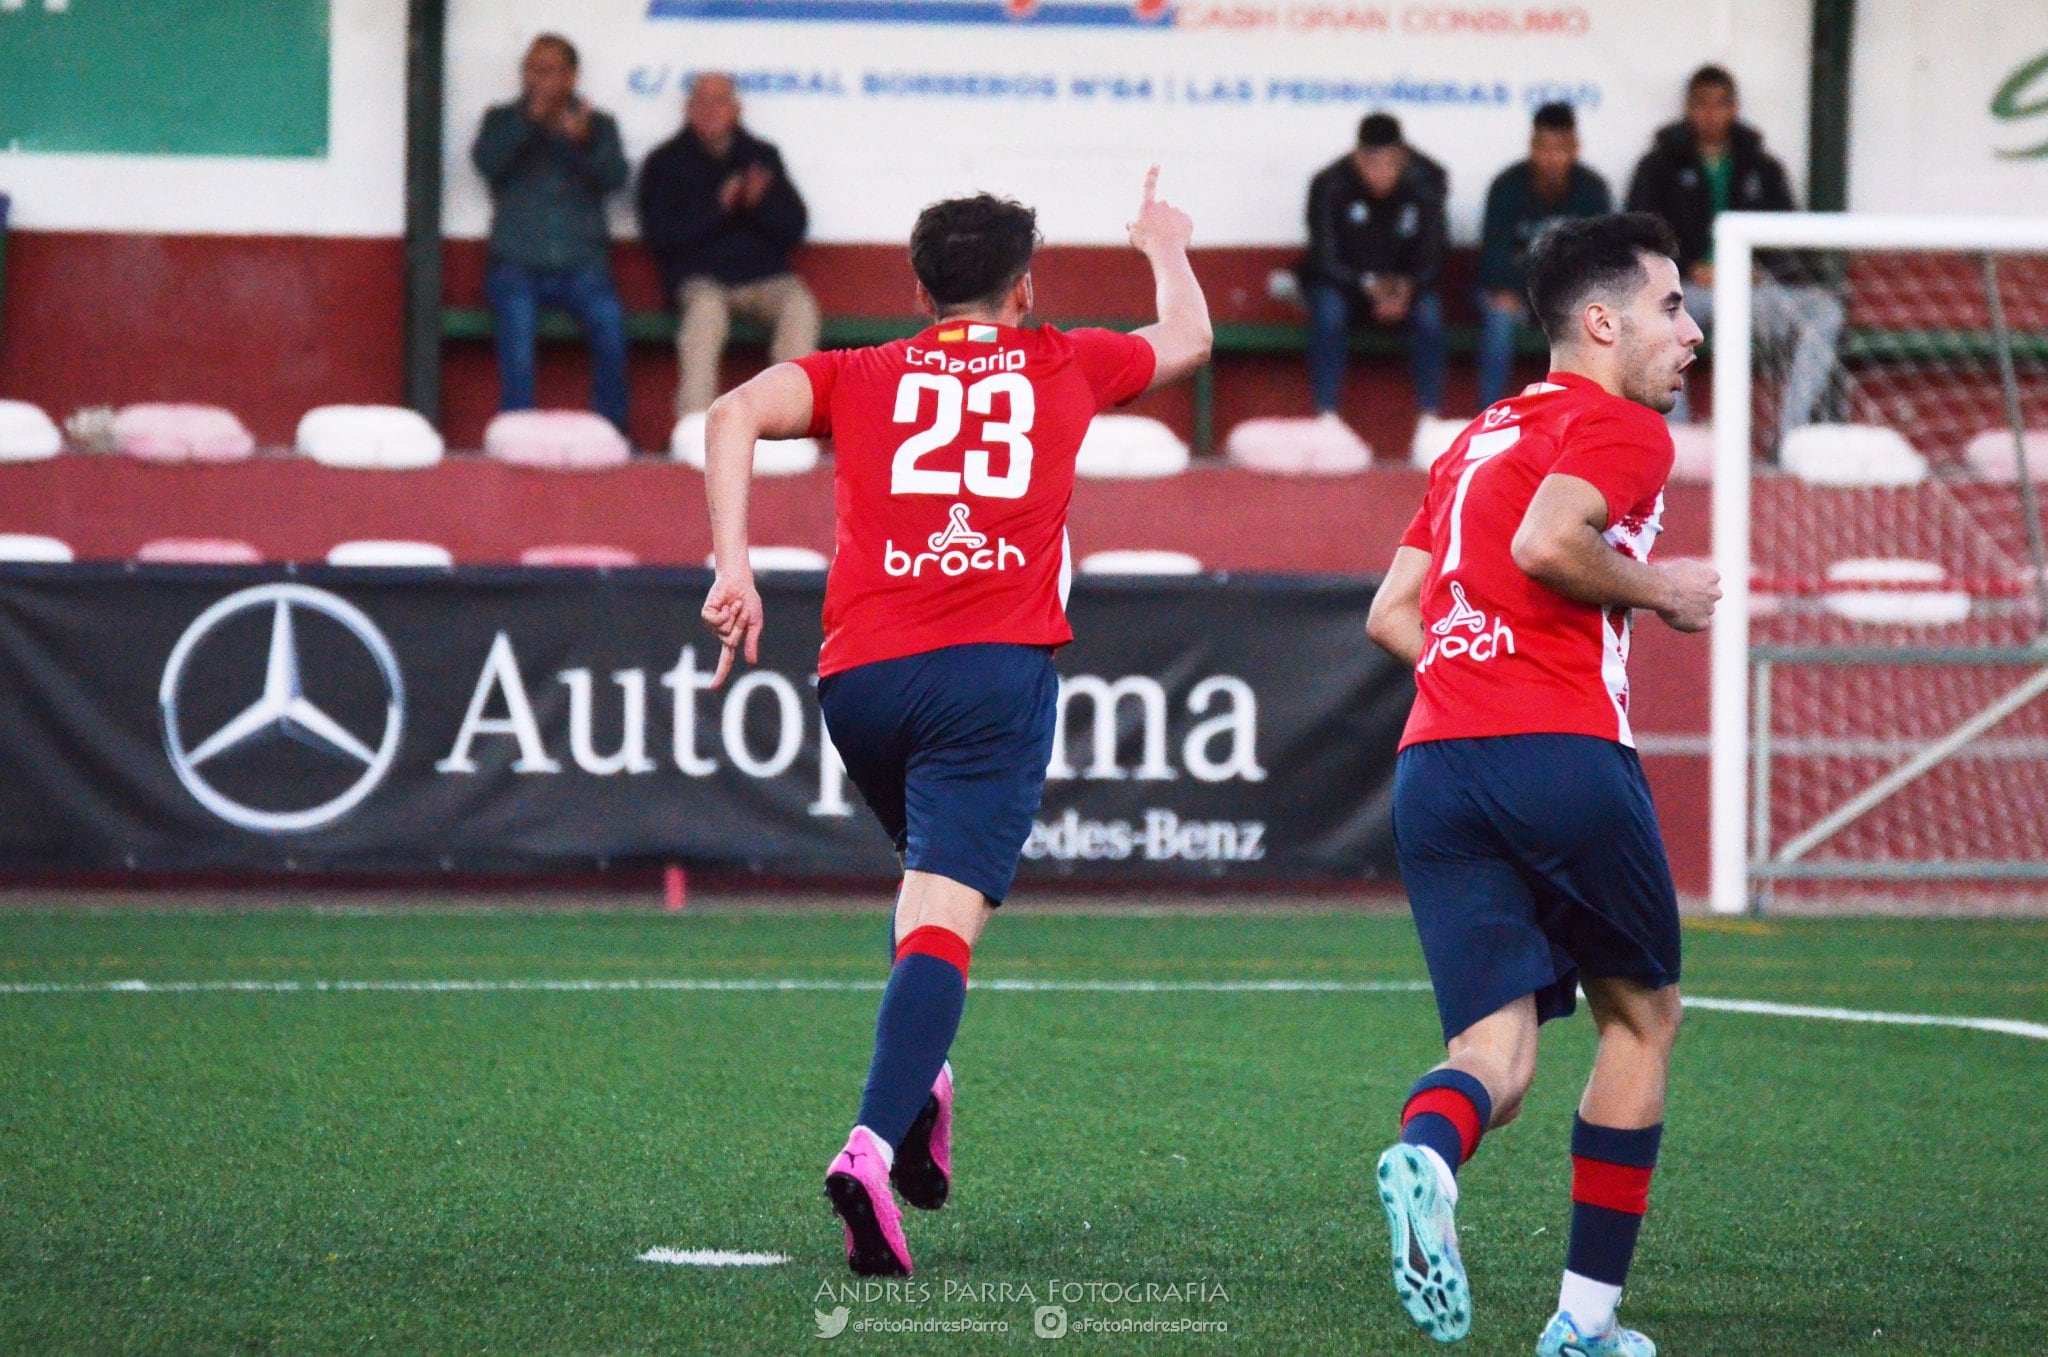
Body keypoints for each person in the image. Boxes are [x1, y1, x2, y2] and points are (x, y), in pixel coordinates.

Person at [696, 170, 1211, 1276]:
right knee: (942, 918)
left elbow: (729, 413)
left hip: (861, 683)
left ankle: (924, 1084)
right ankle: (871, 1146)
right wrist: (1162, 245)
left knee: (926, 884)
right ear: (1023, 288)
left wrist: (735, 564)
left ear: (921, 288)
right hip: (989, 674)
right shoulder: (1063, 358)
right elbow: (1186, 337)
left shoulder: (862, 371)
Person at [1363, 213, 1719, 1356]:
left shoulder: (1471, 437)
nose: (1691, 330)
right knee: (1640, 1016)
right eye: (1670, 306)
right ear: (1601, 321)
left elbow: (1390, 615)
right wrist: (1660, 590)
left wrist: (1477, 678)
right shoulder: (1615, 426)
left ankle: (1426, 1156)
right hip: (1556, 750)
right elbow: (1542, 544)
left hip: (1435, 763)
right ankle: (1583, 1322)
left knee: (1494, 1058)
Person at [1626, 64, 1844, 430]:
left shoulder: (1761, 165)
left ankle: (1791, 434)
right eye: (1701, 103)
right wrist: (1688, 267)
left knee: (1824, 311)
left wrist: (1757, 271)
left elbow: (1787, 241)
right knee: (1650, 314)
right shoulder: (1658, 165)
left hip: (1750, 294)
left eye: (1721, 104)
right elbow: (1639, 236)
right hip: (1686, 293)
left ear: (1734, 108)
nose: (1711, 114)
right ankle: (1676, 436)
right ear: (1687, 108)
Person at [472, 34, 631, 434]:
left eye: (548, 70)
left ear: (571, 77)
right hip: (517, 266)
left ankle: (612, 433)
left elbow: (615, 178)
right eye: (532, 69)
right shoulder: (502, 119)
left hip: (583, 268)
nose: (537, 79)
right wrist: (529, 121)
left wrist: (584, 144)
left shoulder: (598, 125)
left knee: (611, 325)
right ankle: (517, 430)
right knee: (517, 336)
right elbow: (486, 162)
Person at [637, 72, 820, 419]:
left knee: (799, 307)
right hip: (702, 280)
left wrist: (760, 204)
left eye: (719, 101)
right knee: (704, 316)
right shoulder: (665, 162)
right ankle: (694, 425)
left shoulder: (761, 156)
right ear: (687, 109)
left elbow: (794, 228)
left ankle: (789, 424)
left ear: (736, 109)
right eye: (701, 101)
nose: (710, 110)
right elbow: (661, 236)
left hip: (763, 277)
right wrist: (718, 208)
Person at [1298, 112, 1449, 425]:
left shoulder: (1428, 181)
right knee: (1328, 312)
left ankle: (1430, 418)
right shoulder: (1329, 184)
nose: (1380, 173)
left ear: (1404, 157)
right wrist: (1367, 285)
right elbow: (1324, 258)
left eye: (1389, 163)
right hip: (1348, 285)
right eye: (1371, 163)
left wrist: (1408, 286)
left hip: (1406, 287)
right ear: (1356, 158)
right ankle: (1326, 416)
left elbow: (1434, 254)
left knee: (1430, 315)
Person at [1476, 103, 1613, 409]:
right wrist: (1530, 293)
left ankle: (1589, 416)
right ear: (1532, 147)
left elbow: (1601, 263)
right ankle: (1491, 416)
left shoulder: (1592, 190)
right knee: (1499, 316)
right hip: (1516, 295)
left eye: (1561, 149)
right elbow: (1493, 263)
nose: (1551, 158)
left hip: (1570, 298)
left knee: (1600, 321)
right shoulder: (1506, 187)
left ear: (1575, 148)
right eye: (1543, 148)